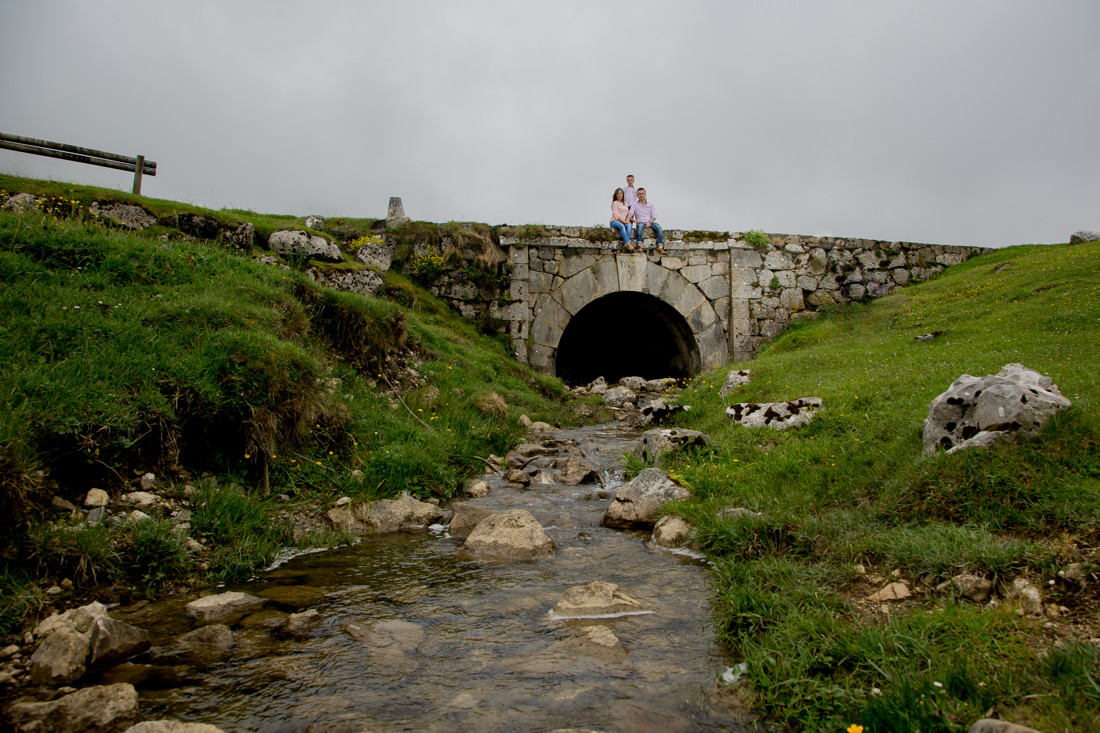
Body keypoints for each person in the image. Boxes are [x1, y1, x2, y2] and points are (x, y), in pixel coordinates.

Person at [632, 187, 665, 254]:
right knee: (640, 227)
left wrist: (650, 222)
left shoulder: (650, 203)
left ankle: (660, 246)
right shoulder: (634, 204)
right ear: (637, 195)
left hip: (650, 221)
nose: (641, 195)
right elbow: (630, 213)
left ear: (645, 194)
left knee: (658, 227)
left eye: (642, 193)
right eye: (639, 194)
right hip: (641, 222)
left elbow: (654, 216)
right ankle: (639, 245)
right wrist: (634, 221)